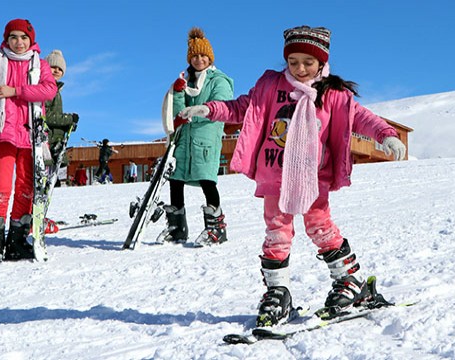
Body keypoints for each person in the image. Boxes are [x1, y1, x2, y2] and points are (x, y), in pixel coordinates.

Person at [178, 26, 406, 326]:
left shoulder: (333, 93)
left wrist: (386, 135)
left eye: (308, 63)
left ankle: (350, 282)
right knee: (276, 233)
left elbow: (360, 117)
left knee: (319, 227)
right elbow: (242, 108)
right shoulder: (271, 86)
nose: (299, 68)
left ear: (322, 63)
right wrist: (209, 109)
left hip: (313, 177)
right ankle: (277, 293)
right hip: (275, 174)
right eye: (293, 61)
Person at [0, 19, 57, 264]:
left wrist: (14, 91)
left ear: (31, 40)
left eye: (24, 37)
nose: (19, 42)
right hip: (3, 132)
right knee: (2, 186)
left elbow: (49, 90)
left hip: (31, 136)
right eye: (14, 37)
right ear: (6, 39)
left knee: (27, 188)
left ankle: (16, 240)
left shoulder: (41, 65)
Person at [158, 27, 234, 246]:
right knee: (176, 180)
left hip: (204, 139)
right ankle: (177, 228)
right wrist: (180, 94)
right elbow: (178, 109)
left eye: (203, 55)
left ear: (210, 57)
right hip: (184, 139)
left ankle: (216, 228)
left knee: (207, 181)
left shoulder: (219, 80)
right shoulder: (186, 80)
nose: (199, 59)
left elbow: (220, 106)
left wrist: (196, 113)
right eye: (194, 55)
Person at [44, 49, 79, 167]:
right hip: (47, 141)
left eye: (60, 69)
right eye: (53, 67)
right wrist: (68, 119)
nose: (56, 71)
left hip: (55, 140)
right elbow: (46, 116)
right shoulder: (46, 89)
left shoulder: (56, 90)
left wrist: (68, 125)